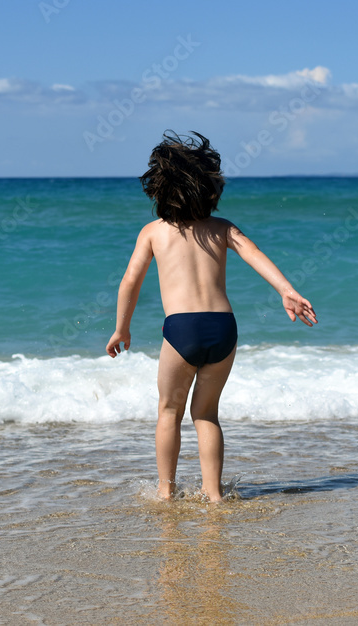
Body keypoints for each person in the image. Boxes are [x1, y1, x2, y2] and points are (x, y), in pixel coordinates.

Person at [105, 131, 317, 503]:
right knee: (206, 414)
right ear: (210, 189)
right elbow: (254, 254)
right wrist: (287, 290)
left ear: (158, 190)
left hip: (181, 329)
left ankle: (165, 492)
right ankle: (214, 495)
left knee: (169, 410)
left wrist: (122, 328)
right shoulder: (221, 228)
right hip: (223, 328)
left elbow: (129, 283)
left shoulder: (154, 233)